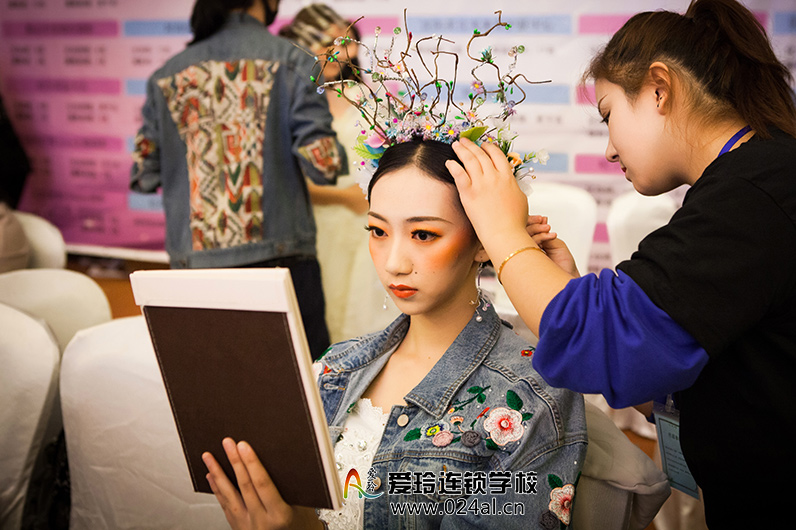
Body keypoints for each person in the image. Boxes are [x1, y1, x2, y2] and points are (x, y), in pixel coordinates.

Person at [446, 0, 796, 527]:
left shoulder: (758, 192)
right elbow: (664, 363)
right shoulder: (767, 179)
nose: (610, 149)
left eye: (609, 116)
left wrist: (501, 228)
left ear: (659, 88)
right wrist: (566, 289)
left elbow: (602, 344)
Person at [202, 138, 588, 530]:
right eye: (377, 230)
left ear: (484, 240)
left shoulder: (530, 396)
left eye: (423, 234)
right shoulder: (334, 366)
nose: (393, 263)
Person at [130, 0, 346, 358]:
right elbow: (324, 166)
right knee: (299, 384)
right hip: (280, 265)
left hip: (194, 271)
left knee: (213, 382)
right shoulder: (294, 61)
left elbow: (143, 173)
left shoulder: (165, 76)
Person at [280, 5, 400, 343]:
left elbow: (393, 163)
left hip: (363, 222)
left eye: (342, 42)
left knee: (362, 312)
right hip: (310, 223)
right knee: (319, 311)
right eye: (323, 42)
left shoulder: (371, 100)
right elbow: (281, 173)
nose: (335, 51)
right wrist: (341, 196)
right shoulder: (290, 102)